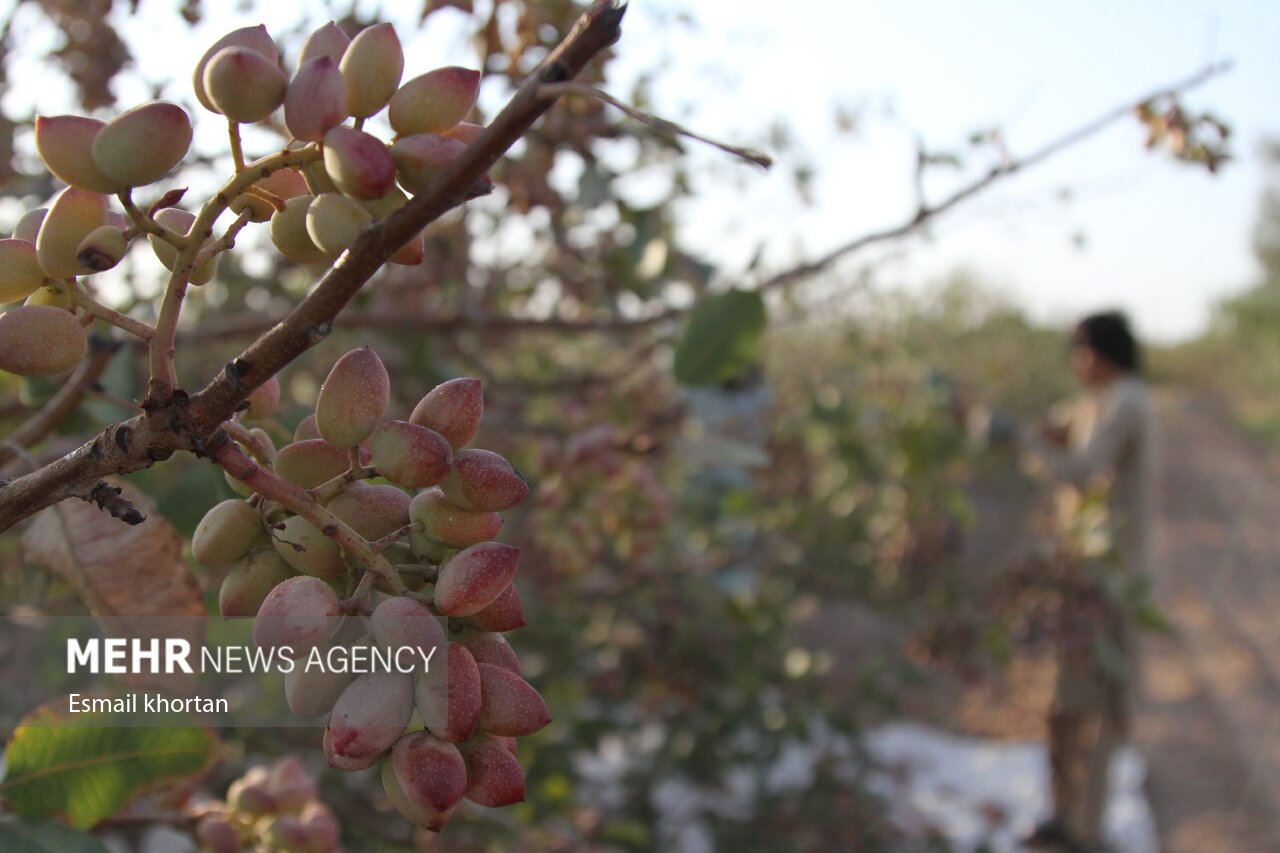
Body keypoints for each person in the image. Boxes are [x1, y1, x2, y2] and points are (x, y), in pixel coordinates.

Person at [1020, 311, 1155, 851]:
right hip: (1086, 576)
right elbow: (1059, 427)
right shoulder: (1097, 402)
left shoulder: (1128, 404)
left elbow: (1083, 470)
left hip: (1113, 580)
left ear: (1097, 354)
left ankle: (1085, 828)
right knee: (1067, 703)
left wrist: (1025, 443)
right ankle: (1065, 813)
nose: (1076, 364)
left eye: (1080, 353)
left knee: (1101, 707)